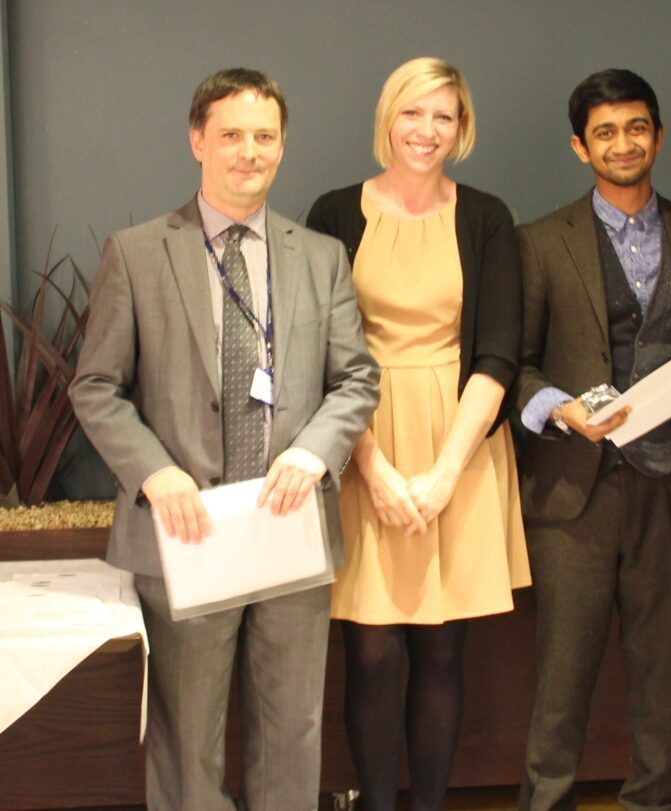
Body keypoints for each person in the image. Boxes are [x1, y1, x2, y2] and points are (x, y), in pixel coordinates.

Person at [69, 68, 379, 810]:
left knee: (292, 728)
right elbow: (95, 386)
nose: (250, 151)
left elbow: (358, 379)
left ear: (282, 146)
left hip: (287, 524)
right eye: (232, 134)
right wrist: (153, 472)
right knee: (185, 737)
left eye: (265, 136)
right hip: (188, 530)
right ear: (197, 140)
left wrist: (314, 451)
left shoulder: (321, 255)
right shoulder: (139, 252)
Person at [305, 57, 530, 811]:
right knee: (369, 648)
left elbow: (498, 351)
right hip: (359, 436)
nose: (426, 130)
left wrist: (440, 475)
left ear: (461, 128)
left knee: (441, 645)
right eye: (412, 113)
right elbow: (321, 350)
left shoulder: (487, 216)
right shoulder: (334, 212)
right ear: (386, 120)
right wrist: (374, 468)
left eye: (443, 116)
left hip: (460, 443)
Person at [514, 68, 671, 811]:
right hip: (572, 490)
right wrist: (558, 407)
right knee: (561, 676)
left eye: (636, 127)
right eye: (605, 132)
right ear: (580, 147)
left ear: (659, 135)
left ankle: (657, 802)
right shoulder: (540, 241)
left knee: (662, 675)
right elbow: (510, 364)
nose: (623, 143)